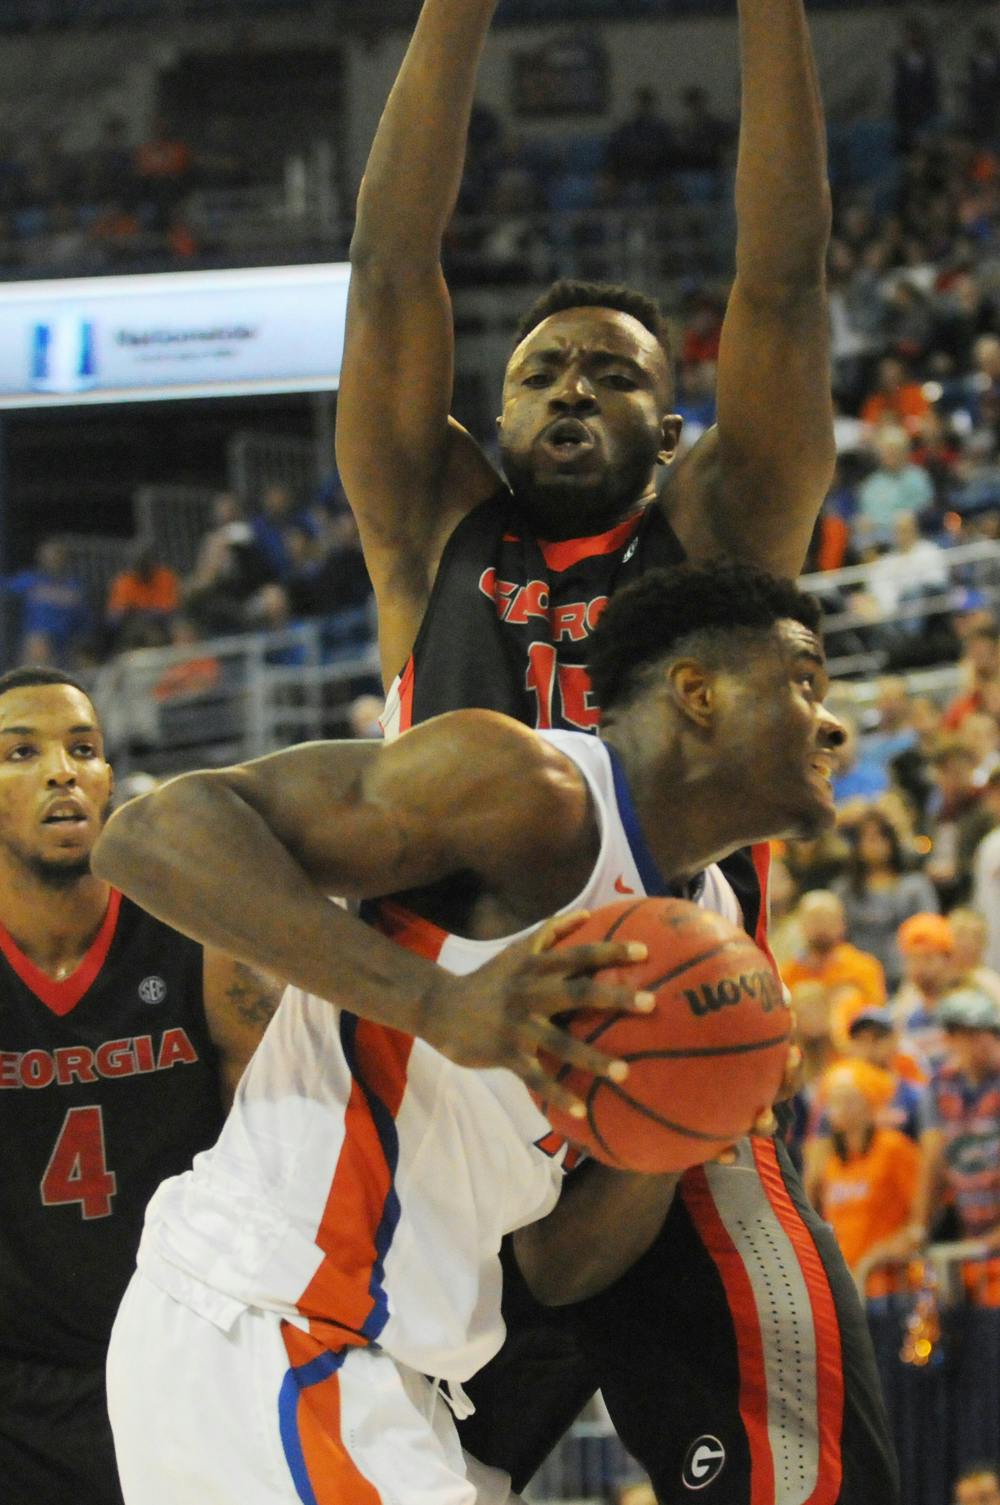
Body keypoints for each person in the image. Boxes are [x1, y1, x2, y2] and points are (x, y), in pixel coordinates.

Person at [335, 0, 898, 1499]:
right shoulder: (431, 525)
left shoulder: (717, 537)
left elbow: (779, 286)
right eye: (542, 370)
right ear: (496, 406)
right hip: (457, 1091)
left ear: (673, 425)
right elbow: (393, 265)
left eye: (615, 373)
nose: (572, 387)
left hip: (677, 1094)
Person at [93, 561, 852, 1505]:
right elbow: (146, 835)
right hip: (268, 1321)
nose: (834, 722)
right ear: (698, 693)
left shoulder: (711, 934)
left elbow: (557, 1265)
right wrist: (435, 1004)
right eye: (804, 682)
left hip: (401, 1384)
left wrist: (687, 1126)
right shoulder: (530, 789)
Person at [0, 667, 284, 1505]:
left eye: (83, 748)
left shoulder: (199, 928)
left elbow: (279, 1159)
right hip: (16, 1386)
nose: (63, 770)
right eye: (22, 751)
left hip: (184, 1359)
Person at [912, 989, 1000, 1305]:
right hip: (972, 1229)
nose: (965, 1043)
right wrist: (920, 1226)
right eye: (956, 1034)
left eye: (975, 1034)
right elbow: (933, 1158)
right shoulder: (942, 1084)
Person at [814, 1059, 921, 1298]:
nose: (837, 1107)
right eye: (832, 1099)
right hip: (849, 1289)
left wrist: (878, 1257)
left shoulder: (894, 1149)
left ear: (869, 1102)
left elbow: (920, 1217)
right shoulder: (833, 1163)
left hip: (892, 1288)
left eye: (847, 1098)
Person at [833, 808, 938, 991]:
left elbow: (928, 934)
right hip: (857, 978)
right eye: (868, 838)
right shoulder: (844, 891)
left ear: (892, 842)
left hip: (906, 975)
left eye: (881, 837)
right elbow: (839, 937)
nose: (875, 845)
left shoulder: (915, 887)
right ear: (857, 846)